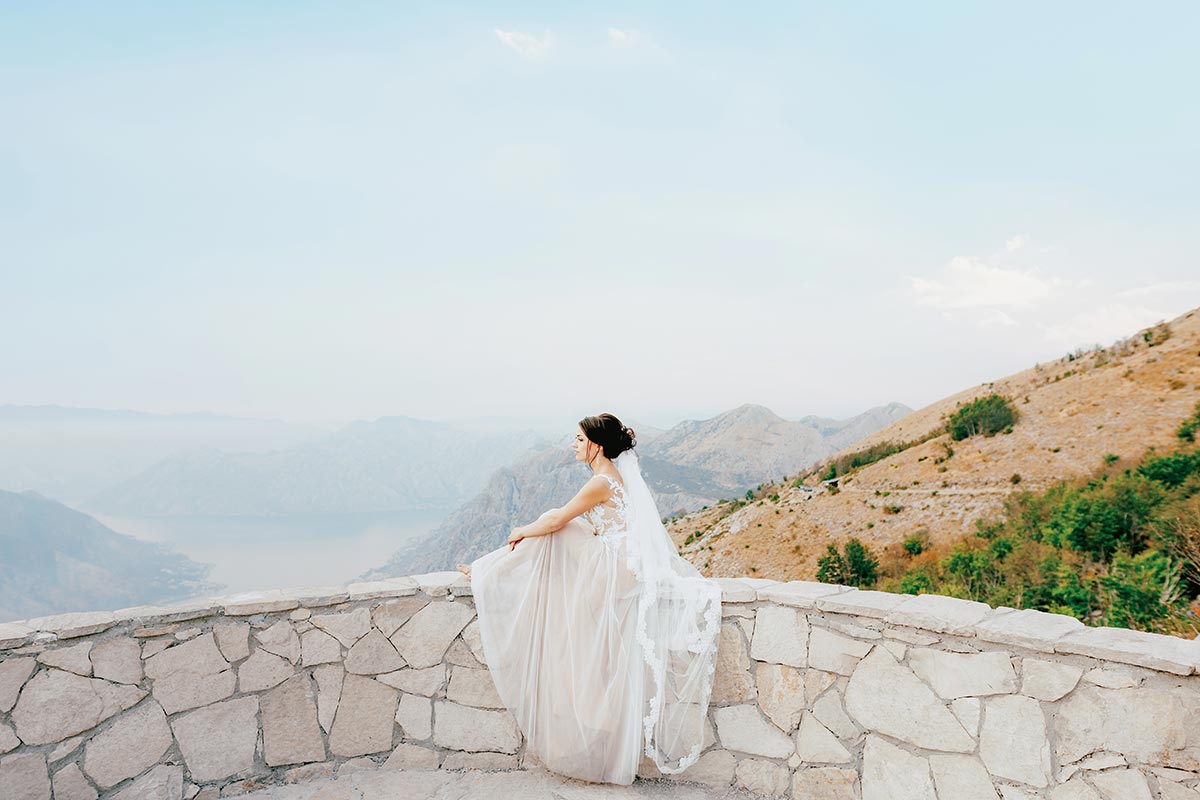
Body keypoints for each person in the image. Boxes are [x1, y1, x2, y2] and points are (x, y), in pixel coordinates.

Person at [456, 413, 723, 785]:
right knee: (563, 528)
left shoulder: (601, 481)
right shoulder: (615, 476)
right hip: (620, 562)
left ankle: (488, 571)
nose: (574, 445)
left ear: (597, 445)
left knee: (552, 522)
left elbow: (554, 522)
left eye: (579, 440)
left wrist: (521, 530)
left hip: (611, 568)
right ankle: (492, 569)